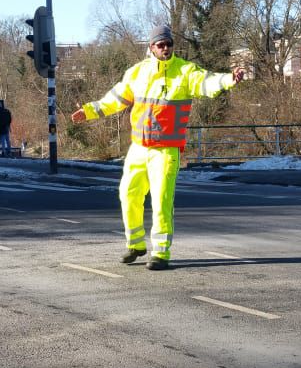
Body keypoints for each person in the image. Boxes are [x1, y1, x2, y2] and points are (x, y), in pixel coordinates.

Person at [70, 24, 246, 270]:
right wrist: (88, 111)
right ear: (151, 47)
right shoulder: (137, 73)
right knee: (128, 193)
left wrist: (229, 79)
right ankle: (136, 244)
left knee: (161, 200)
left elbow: (207, 82)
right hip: (139, 147)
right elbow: (115, 100)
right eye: (160, 44)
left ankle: (161, 253)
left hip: (166, 149)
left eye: (169, 44)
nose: (166, 48)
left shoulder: (184, 71)